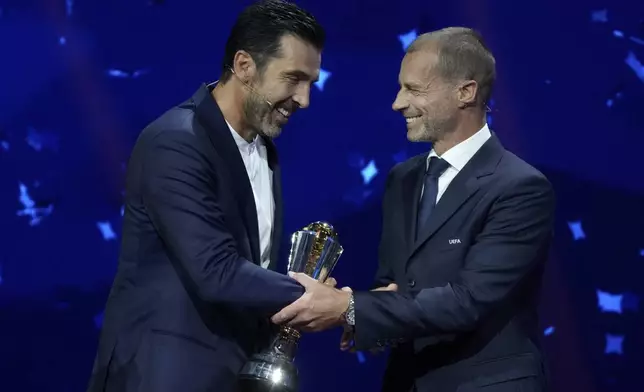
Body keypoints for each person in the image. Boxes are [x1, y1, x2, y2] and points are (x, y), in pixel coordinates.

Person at [271, 27, 556, 392]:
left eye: (414, 90)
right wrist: (363, 316)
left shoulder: (520, 188)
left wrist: (349, 306)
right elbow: (394, 283)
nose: (397, 103)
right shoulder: (402, 179)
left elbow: (468, 300)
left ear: (465, 92)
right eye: (401, 87)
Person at [86, 1, 326, 391]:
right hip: (164, 375)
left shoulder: (264, 148)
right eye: (293, 79)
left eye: (311, 83)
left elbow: (253, 264)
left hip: (233, 373)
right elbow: (215, 270)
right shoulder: (176, 141)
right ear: (244, 65)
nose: (304, 99)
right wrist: (319, 299)